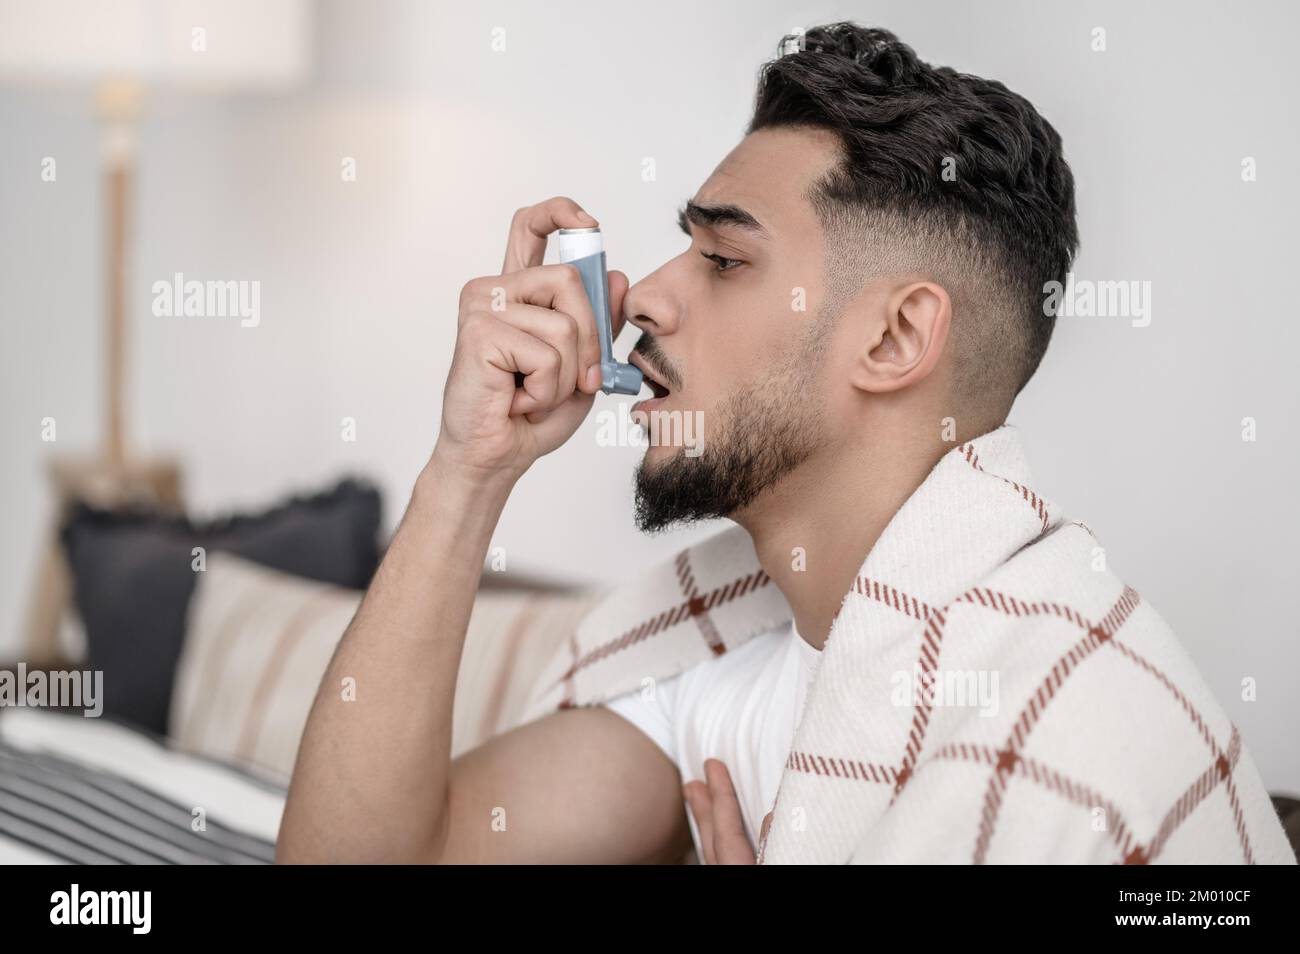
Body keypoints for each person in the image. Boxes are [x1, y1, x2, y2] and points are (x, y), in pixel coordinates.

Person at [278, 23, 1293, 864]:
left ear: (893, 339)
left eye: (722, 258)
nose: (650, 297)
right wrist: (469, 472)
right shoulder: (725, 659)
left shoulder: (1076, 751)